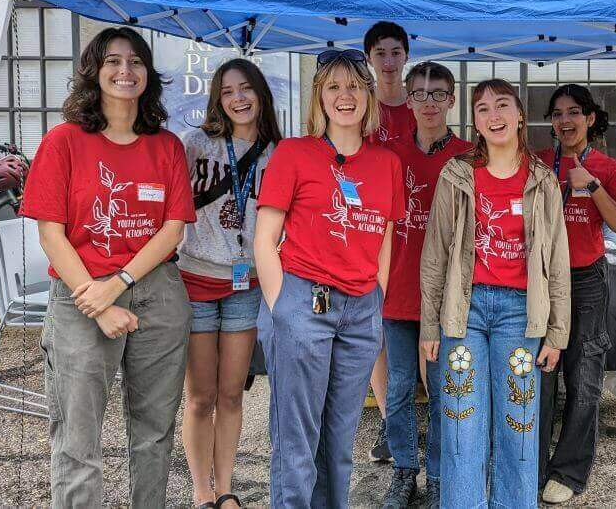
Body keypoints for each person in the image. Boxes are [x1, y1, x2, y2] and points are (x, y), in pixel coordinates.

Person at [22, 27, 195, 508]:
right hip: (80, 294)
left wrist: (119, 283)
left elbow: (173, 228)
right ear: (94, 73)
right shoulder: (64, 142)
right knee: (78, 441)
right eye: (113, 61)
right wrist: (96, 302)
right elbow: (50, 233)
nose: (125, 71)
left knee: (154, 434)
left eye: (136, 61)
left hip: (156, 293)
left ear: (148, 74)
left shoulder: (167, 147)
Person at [254, 48, 405, 508]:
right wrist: (284, 306)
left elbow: (385, 234)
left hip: (360, 311)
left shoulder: (386, 164)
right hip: (303, 300)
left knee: (340, 444)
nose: (345, 96)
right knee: (297, 443)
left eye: (355, 86)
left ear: (369, 96)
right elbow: (265, 240)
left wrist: (374, 295)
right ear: (319, 97)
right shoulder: (294, 153)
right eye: (334, 87)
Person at [420, 78, 571, 509]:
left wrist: (557, 332)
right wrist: (430, 324)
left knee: (518, 426)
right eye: (483, 109)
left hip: (520, 315)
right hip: (462, 314)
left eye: (502, 105)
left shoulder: (542, 180)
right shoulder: (457, 174)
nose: (494, 115)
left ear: (520, 114)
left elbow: (557, 261)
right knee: (461, 428)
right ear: (475, 122)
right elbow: (435, 254)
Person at [178, 58, 282, 509]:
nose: (238, 99)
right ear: (217, 99)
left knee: (231, 393)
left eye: (246, 89)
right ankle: (201, 490)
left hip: (247, 284)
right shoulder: (196, 144)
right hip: (196, 279)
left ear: (261, 94)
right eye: (227, 91)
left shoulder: (279, 152)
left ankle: (226, 488)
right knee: (200, 397)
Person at [380, 61, 473, 508]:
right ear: (409, 99)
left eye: (438, 93)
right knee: (398, 388)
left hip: (450, 297)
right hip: (398, 291)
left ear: (452, 100)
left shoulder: (470, 155)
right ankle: (404, 470)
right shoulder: (389, 154)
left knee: (443, 390)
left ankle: (438, 473)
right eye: (420, 93)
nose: (429, 101)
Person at [535, 84, 616, 505]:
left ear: (590, 119)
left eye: (574, 112)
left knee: (584, 377)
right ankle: (531, 464)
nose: (565, 121)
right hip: (540, 280)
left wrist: (591, 185)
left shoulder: (608, 169)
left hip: (586, 280)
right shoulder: (538, 164)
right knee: (539, 376)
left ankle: (569, 472)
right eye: (557, 114)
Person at [364, 20, 416, 463]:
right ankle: (388, 420)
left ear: (406, 56)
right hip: (374, 233)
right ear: (369, 57)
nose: (388, 60)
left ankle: (426, 420)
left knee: (415, 328)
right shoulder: (361, 108)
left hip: (415, 231)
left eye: (395, 51)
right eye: (380, 52)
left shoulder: (418, 107)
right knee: (380, 332)